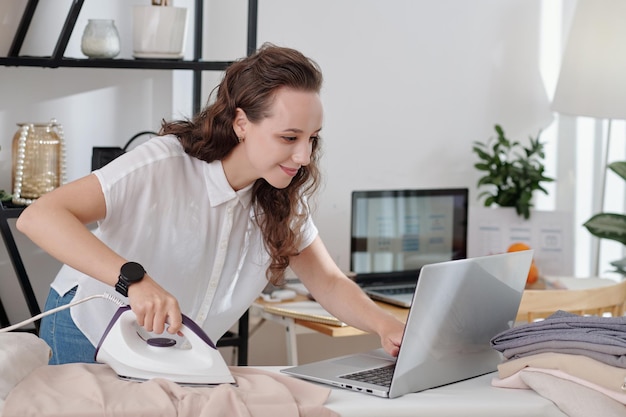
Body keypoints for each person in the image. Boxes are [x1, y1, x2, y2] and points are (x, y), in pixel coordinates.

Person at [16, 43, 405, 365]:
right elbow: (41, 216)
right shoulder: (164, 164)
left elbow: (330, 282)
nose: (304, 156)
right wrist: (135, 280)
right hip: (89, 325)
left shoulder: (279, 197)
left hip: (176, 346)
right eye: (289, 138)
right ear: (241, 123)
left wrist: (385, 325)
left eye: (312, 138)